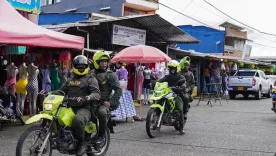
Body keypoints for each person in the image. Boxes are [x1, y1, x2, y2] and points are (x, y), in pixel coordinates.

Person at [43, 55, 101, 155]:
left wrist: (87, 97)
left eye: (83, 66)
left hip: (85, 108)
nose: (81, 68)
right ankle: (61, 139)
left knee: (77, 120)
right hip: (70, 107)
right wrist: (49, 92)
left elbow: (96, 93)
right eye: (79, 66)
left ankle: (81, 143)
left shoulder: (91, 79)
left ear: (87, 66)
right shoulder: (70, 80)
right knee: (57, 118)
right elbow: (61, 91)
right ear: (74, 66)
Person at [90, 51, 122, 144]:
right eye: (101, 61)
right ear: (96, 62)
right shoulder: (90, 73)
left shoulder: (110, 75)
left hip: (103, 102)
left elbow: (118, 90)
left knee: (102, 113)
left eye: (106, 61)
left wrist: (111, 102)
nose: (104, 64)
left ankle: (101, 135)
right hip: (90, 100)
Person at [158, 60, 186, 135]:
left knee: (180, 109)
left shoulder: (181, 77)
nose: (171, 70)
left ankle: (182, 128)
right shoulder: (167, 76)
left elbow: (184, 84)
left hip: (177, 94)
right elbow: (160, 81)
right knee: (158, 101)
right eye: (170, 68)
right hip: (167, 93)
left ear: (177, 68)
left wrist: (181, 88)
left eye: (173, 68)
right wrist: (154, 83)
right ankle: (155, 121)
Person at [180, 56, 195, 122]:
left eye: (188, 65)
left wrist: (188, 89)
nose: (187, 66)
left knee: (185, 98)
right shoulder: (179, 73)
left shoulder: (190, 74)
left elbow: (193, 84)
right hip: (178, 90)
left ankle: (185, 112)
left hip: (186, 91)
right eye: (185, 65)